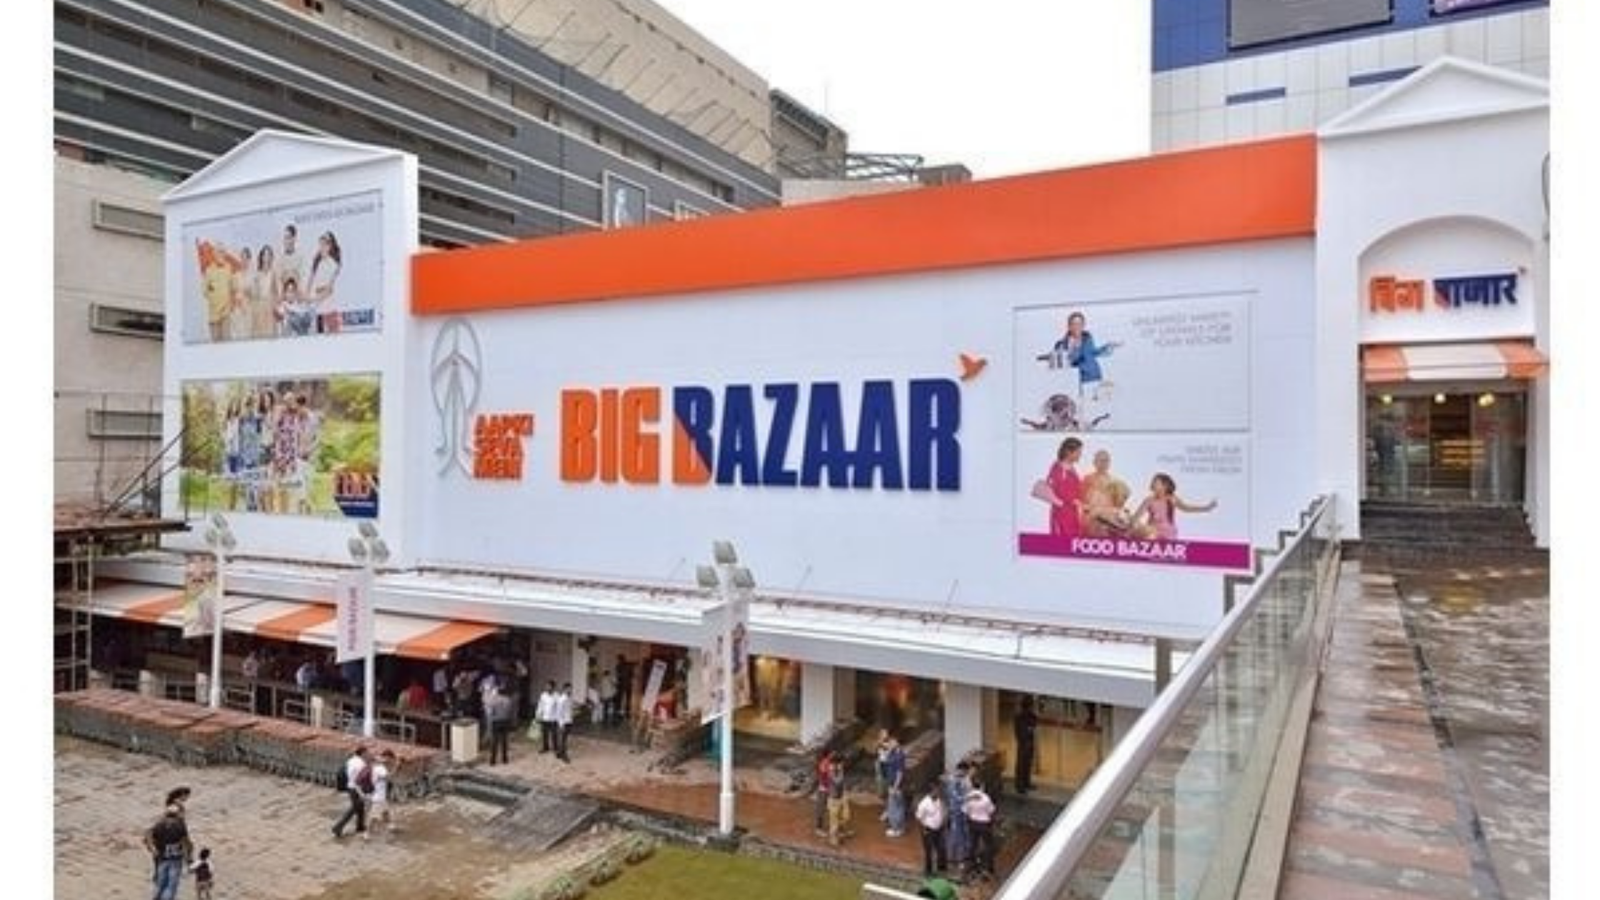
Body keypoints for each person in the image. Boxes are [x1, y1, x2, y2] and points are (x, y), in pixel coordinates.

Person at [1133, 472, 1218, 540]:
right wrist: (1131, 527)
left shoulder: (1172, 498)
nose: (1153, 484)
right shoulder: (1149, 500)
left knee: (1151, 534)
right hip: (1152, 530)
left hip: (1168, 532)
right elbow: (1136, 516)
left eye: (1156, 482)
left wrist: (1206, 508)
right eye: (1153, 482)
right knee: (1145, 532)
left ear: (1165, 486)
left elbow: (1187, 508)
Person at [1080, 449, 1134, 536]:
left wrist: (1122, 498)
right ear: (1094, 462)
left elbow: (1119, 503)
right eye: (1100, 460)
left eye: (1106, 461)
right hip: (1092, 515)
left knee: (1124, 517)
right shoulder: (1087, 479)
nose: (1103, 463)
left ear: (1109, 463)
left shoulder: (1115, 482)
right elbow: (1081, 501)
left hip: (1108, 516)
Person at [144, 803, 191, 900]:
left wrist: (153, 849)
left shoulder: (159, 825)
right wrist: (188, 858)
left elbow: (148, 835)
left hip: (161, 858)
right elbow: (185, 842)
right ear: (176, 814)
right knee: (171, 885)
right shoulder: (180, 825)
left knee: (160, 883)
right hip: (176, 858)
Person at [1043, 437, 1086, 537]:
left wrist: (1081, 502)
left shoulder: (1072, 468)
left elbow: (1075, 490)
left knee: (1074, 538)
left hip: (1073, 513)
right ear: (1068, 452)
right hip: (1062, 513)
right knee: (1062, 540)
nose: (1080, 455)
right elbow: (1055, 489)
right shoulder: (1058, 468)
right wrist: (1073, 501)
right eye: (1078, 452)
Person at [307, 231, 343, 333]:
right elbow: (311, 282)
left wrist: (312, 299)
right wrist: (307, 297)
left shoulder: (334, 264)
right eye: (320, 244)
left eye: (325, 244)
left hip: (330, 309)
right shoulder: (317, 262)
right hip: (318, 310)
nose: (322, 247)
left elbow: (328, 290)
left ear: (330, 246)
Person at [332, 745, 370, 840]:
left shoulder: (351, 760)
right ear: (363, 753)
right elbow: (360, 780)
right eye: (367, 753)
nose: (368, 754)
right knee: (354, 809)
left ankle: (360, 826)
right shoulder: (361, 764)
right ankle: (338, 827)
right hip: (357, 789)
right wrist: (363, 793)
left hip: (350, 787)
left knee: (360, 808)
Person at [964, 783, 998, 881]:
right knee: (988, 845)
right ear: (982, 787)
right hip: (984, 824)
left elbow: (965, 811)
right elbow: (991, 811)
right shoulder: (985, 798)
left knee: (973, 844)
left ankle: (972, 865)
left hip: (972, 823)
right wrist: (991, 823)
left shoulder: (968, 797)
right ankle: (988, 867)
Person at [915, 783, 949, 877]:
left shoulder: (939, 800)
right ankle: (928, 871)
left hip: (939, 829)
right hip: (928, 830)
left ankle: (941, 868)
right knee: (929, 851)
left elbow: (942, 810)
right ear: (930, 792)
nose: (938, 792)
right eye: (936, 791)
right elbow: (919, 818)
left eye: (938, 790)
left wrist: (944, 822)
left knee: (941, 848)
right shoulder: (924, 804)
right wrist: (923, 830)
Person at [1014, 695, 1039, 795]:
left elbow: (1034, 723)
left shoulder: (1030, 715)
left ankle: (1026, 782)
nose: (1032, 707)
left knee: (1028, 763)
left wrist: (1030, 728)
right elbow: (1022, 731)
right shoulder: (1019, 716)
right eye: (1032, 705)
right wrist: (1029, 729)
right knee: (1021, 764)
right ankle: (1020, 786)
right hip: (1023, 743)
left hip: (1029, 742)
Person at [825, 756, 852, 848]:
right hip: (833, 799)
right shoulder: (831, 771)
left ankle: (840, 832)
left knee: (846, 816)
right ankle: (833, 839)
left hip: (841, 796)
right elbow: (837, 782)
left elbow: (842, 783)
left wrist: (845, 793)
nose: (842, 765)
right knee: (834, 820)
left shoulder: (839, 770)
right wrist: (840, 771)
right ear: (836, 764)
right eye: (841, 763)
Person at [884, 736, 908, 837]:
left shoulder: (899, 756)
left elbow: (900, 773)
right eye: (889, 742)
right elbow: (886, 760)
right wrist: (889, 750)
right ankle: (898, 827)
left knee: (895, 807)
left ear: (897, 742)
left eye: (892, 741)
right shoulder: (893, 752)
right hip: (891, 784)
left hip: (896, 786)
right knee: (894, 806)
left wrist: (895, 787)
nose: (890, 743)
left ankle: (897, 829)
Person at [369, 749, 395, 835]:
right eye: (391, 759)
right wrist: (397, 767)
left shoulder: (378, 766)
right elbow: (388, 777)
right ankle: (367, 833)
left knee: (386, 812)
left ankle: (390, 826)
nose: (391, 761)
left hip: (381, 795)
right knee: (374, 817)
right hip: (378, 797)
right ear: (387, 757)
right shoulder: (380, 768)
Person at [487, 687, 514, 765]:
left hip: (496, 721)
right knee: (504, 741)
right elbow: (510, 711)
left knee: (494, 741)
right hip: (505, 721)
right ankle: (505, 759)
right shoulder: (508, 700)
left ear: (498, 692)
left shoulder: (494, 700)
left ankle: (493, 760)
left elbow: (490, 712)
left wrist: (491, 720)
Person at [813, 750, 835, 837]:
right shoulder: (824, 764)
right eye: (832, 753)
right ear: (829, 754)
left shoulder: (828, 763)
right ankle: (818, 828)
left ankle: (827, 827)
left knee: (827, 808)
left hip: (827, 789)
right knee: (821, 809)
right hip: (824, 790)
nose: (834, 754)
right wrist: (828, 787)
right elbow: (823, 778)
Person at [535, 681, 557, 754]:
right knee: (545, 734)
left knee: (554, 734)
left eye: (549, 686)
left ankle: (555, 747)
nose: (547, 687)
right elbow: (540, 706)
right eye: (546, 686)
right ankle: (545, 747)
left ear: (553, 687)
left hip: (553, 718)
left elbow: (559, 707)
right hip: (545, 718)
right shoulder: (543, 695)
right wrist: (538, 715)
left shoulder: (556, 696)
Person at [554, 682, 574, 762]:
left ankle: (559, 753)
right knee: (563, 740)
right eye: (568, 689)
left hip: (569, 721)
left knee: (565, 738)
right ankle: (564, 755)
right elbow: (558, 712)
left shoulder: (569, 698)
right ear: (564, 689)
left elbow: (569, 709)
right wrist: (561, 724)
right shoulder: (562, 699)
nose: (570, 690)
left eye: (571, 689)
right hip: (563, 722)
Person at [614, 654, 635, 722]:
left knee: (620, 701)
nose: (618, 661)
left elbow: (618, 676)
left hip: (621, 685)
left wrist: (618, 682)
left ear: (620, 659)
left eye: (618, 659)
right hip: (628, 685)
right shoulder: (629, 665)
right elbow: (632, 675)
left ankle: (619, 714)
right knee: (628, 700)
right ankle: (627, 714)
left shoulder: (618, 666)